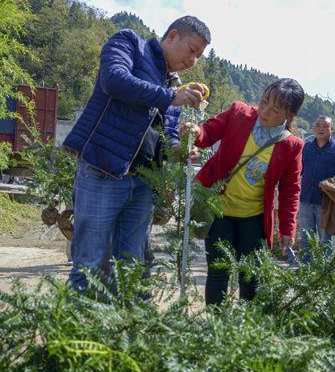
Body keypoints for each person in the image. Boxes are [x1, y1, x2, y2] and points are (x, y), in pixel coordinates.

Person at [62, 16, 211, 290]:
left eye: (199, 57)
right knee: (91, 264)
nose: (193, 61)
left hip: (143, 184)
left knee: (133, 268)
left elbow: (167, 134)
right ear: (173, 36)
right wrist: (169, 97)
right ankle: (76, 328)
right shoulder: (129, 42)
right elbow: (114, 80)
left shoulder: (172, 83)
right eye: (192, 50)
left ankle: (125, 329)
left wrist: (180, 150)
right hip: (103, 171)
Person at [184, 78, 305, 306]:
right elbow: (208, 133)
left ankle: (245, 331)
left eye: (275, 109)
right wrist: (196, 132)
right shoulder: (239, 113)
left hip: (254, 219)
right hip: (219, 211)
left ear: (289, 115)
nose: (265, 110)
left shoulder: (292, 146)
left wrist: (288, 228)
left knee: (250, 278)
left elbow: (291, 190)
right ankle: (215, 327)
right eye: (264, 101)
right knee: (218, 273)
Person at [297, 116, 335, 260]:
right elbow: (298, 170)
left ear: (331, 129)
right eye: (318, 126)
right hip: (305, 200)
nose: (321, 129)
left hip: (326, 203)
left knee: (325, 240)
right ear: (314, 128)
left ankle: (325, 273)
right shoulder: (306, 147)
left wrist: (331, 183)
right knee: (305, 239)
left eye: (325, 126)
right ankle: (305, 273)